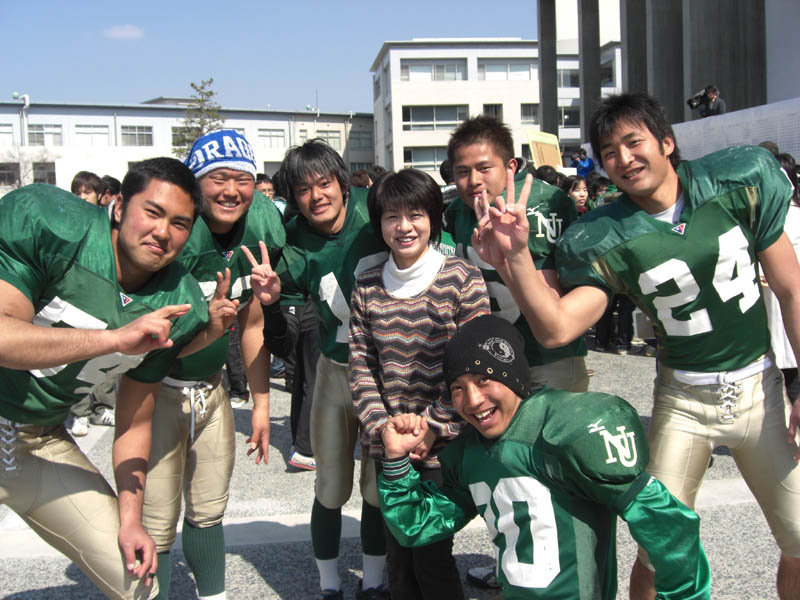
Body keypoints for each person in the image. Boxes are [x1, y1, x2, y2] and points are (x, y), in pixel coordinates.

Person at [471, 92, 800, 599]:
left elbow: (792, 287)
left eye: (633, 142)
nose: (623, 159)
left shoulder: (738, 182)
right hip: (684, 399)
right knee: (655, 547)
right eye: (609, 152)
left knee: (799, 536)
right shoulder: (605, 233)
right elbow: (557, 329)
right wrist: (516, 258)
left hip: (760, 389)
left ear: (666, 141)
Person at [0, 158, 216, 599]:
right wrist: (112, 340)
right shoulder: (54, 224)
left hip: (37, 441)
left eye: (179, 223)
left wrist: (131, 518)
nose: (163, 232)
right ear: (118, 207)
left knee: (136, 582)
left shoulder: (179, 301)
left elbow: (135, 420)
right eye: (152, 212)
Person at [378, 315, 710, 599]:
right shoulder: (469, 453)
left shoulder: (567, 427)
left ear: (512, 376)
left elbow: (668, 525)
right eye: (458, 388)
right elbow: (417, 526)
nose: (473, 399)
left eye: (484, 379)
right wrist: (395, 460)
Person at [445, 115, 589, 590]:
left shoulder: (548, 203)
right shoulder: (455, 212)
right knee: (506, 468)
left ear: (511, 166)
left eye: (483, 168)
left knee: (555, 468)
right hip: (493, 368)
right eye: (462, 171)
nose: (472, 180)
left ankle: (567, 575)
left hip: (547, 358)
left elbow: (553, 296)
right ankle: (515, 562)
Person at [144, 129, 285, 600]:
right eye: (218, 178)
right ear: (195, 183)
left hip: (212, 389)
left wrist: (261, 404)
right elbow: (146, 343)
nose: (231, 190)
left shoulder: (259, 228)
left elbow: (251, 324)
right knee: (156, 518)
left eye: (242, 179)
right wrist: (205, 327)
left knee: (208, 509)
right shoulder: (173, 234)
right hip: (156, 389)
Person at [250, 139, 390, 599]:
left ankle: (374, 580)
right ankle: (329, 584)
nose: (316, 196)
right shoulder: (292, 240)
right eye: (303, 189)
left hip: (389, 373)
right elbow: (280, 336)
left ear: (343, 182)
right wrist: (271, 303)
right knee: (330, 485)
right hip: (335, 370)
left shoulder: (379, 212)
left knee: (378, 486)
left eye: (324, 183)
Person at [349, 168, 490, 599]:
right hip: (390, 444)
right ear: (379, 223)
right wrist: (384, 430)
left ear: (433, 218)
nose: (404, 226)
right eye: (392, 216)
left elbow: (476, 364)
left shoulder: (462, 278)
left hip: (445, 445)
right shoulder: (367, 286)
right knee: (399, 555)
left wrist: (432, 426)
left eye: (416, 214)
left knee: (430, 553)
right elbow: (361, 365)